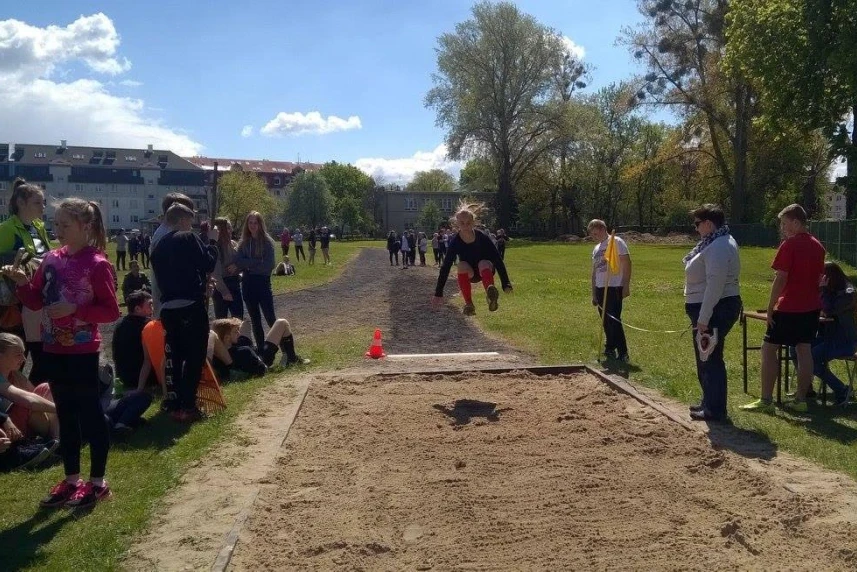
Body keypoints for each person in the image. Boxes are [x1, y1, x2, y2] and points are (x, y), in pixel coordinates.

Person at [4, 197, 120, 509]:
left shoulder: (97, 264)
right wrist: (22, 283)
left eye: (65, 225)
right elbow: (35, 302)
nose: (58, 230)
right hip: (52, 348)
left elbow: (110, 311)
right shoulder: (51, 260)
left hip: (82, 351)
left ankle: (98, 483)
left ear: (86, 226)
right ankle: (71, 480)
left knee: (91, 416)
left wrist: (76, 308)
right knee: (65, 415)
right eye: (56, 224)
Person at [742, 204, 825, 414]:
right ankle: (800, 399)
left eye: (785, 223)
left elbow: (781, 277)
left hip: (789, 306)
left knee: (769, 349)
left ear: (796, 222)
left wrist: (770, 307)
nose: (783, 228)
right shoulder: (818, 246)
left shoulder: (789, 245)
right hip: (812, 306)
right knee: (804, 349)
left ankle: (766, 399)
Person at [151, 203, 218, 422]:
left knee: (175, 356)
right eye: (189, 221)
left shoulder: (158, 246)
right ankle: (188, 406)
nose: (191, 225)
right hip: (189, 305)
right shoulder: (186, 238)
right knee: (194, 356)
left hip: (168, 308)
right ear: (181, 221)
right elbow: (207, 263)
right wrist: (213, 242)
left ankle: (174, 402)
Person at [683, 205, 742, 422]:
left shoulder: (719, 245)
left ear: (708, 223)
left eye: (697, 224)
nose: (696, 229)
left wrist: (704, 318)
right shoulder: (715, 242)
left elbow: (715, 285)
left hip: (716, 308)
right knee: (705, 356)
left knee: (710, 357)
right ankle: (709, 402)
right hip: (709, 306)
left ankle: (715, 408)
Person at [0, 178, 51, 383]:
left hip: (37, 302)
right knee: (15, 358)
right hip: (13, 307)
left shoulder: (39, 227)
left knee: (39, 355)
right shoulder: (6, 229)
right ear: (21, 203)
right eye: (38, 203)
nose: (43, 207)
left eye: (43, 202)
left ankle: (33, 399)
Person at [790, 261, 856, 406]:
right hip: (826, 337)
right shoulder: (831, 290)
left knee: (811, 359)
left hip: (843, 341)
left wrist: (823, 290)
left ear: (830, 277)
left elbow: (828, 310)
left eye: (822, 277)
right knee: (796, 348)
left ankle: (842, 389)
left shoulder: (848, 293)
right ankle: (807, 388)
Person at [432, 202, 512, 315]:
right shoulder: (455, 242)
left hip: (486, 269)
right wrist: (438, 293)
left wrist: (506, 283)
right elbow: (446, 267)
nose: (465, 226)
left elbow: (497, 259)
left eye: (468, 223)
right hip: (470, 273)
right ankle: (469, 304)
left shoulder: (482, 237)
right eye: (462, 223)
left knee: (483, 263)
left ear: (473, 223)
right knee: (461, 265)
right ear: (457, 224)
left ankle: (490, 294)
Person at [588, 219, 633, 362]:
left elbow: (626, 262)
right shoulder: (596, 248)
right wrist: (594, 293)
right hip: (601, 288)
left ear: (602, 229)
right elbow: (594, 272)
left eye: (595, 233)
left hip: (613, 286)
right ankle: (610, 346)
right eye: (592, 235)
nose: (594, 237)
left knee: (614, 320)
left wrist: (625, 285)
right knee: (605, 320)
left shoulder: (616, 242)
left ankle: (623, 351)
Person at [210, 317, 308, 381]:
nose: (239, 334)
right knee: (282, 322)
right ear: (227, 338)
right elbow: (262, 369)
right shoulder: (245, 351)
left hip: (238, 351)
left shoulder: (217, 354)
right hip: (260, 357)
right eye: (236, 332)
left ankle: (288, 356)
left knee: (246, 323)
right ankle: (291, 358)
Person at [0, 333, 58, 440]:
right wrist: (63, 409)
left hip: (18, 421)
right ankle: (55, 440)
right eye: (18, 355)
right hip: (7, 427)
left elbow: (35, 395)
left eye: (23, 353)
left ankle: (56, 438)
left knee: (45, 388)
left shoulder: (15, 374)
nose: (24, 359)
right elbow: (29, 400)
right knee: (24, 404)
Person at [234, 211, 277, 352]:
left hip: (263, 284)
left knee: (270, 317)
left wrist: (248, 266)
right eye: (250, 222)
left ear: (260, 224)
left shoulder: (267, 242)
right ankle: (260, 350)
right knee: (255, 320)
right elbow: (239, 262)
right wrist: (256, 262)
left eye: (255, 222)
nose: (252, 225)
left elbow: (269, 265)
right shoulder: (244, 243)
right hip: (247, 285)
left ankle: (285, 349)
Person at [149, 193, 196, 317]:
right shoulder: (167, 236)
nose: (191, 223)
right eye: (189, 217)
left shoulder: (166, 233)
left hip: (170, 301)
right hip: (173, 303)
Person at [112, 290, 156, 389]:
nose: (152, 308)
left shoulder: (120, 325)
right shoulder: (147, 326)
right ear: (137, 309)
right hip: (145, 379)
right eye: (150, 305)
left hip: (125, 379)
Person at [98, 360, 152, 434]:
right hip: (92, 413)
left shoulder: (105, 368)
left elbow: (108, 395)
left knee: (143, 396)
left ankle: (121, 424)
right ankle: (128, 420)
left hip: (107, 407)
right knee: (105, 421)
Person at [212, 217, 243, 320]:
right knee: (222, 324)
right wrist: (224, 291)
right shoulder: (215, 248)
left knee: (238, 320)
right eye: (227, 228)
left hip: (234, 285)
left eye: (230, 228)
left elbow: (242, 263)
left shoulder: (234, 245)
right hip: (221, 288)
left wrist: (238, 267)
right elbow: (215, 274)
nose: (230, 231)